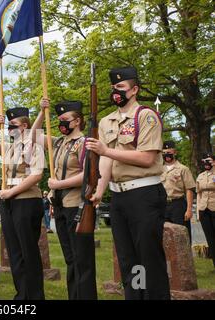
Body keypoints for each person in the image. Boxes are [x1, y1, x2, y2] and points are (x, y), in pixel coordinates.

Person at [86, 66, 170, 300]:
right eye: (113, 87)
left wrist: (106, 151)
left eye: (121, 87)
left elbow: (146, 157)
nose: (116, 91)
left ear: (134, 90)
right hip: (119, 197)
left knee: (148, 259)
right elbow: (105, 160)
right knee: (128, 260)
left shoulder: (146, 115)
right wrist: (99, 192)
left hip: (144, 194)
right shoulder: (106, 121)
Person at [32, 99, 97, 300]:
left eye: (65, 119)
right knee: (70, 259)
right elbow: (32, 135)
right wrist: (42, 112)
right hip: (59, 207)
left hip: (76, 206)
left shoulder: (85, 143)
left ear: (77, 121)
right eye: (58, 119)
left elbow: (88, 175)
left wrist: (58, 185)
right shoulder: (58, 142)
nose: (61, 123)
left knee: (82, 259)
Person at [0, 107, 45, 300]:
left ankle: (34, 296)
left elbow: (36, 175)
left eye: (13, 125)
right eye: (8, 126)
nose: (9, 129)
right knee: (15, 253)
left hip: (26, 200)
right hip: (9, 201)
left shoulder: (33, 144)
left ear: (24, 126)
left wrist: (11, 192)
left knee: (28, 251)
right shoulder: (9, 147)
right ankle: (22, 295)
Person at [161, 140, 196, 242]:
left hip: (178, 205)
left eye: (169, 153)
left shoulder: (183, 169)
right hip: (162, 205)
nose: (167, 155)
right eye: (164, 153)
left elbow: (189, 189)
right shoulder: (159, 169)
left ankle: (185, 257)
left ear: (175, 153)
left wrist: (189, 209)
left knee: (181, 235)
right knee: (164, 235)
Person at [196, 152, 215, 268]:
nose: (206, 163)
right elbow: (199, 194)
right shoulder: (200, 176)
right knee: (210, 238)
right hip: (204, 210)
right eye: (205, 161)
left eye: (209, 161)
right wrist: (198, 211)